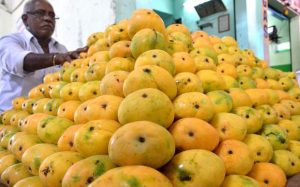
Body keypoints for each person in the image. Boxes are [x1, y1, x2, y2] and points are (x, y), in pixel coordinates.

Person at [0, 0, 87, 113]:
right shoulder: (10, 41)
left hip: (45, 118)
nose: (47, 18)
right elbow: (19, 62)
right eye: (40, 13)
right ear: (25, 19)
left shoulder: (61, 49)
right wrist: (56, 58)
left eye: (52, 15)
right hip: (9, 120)